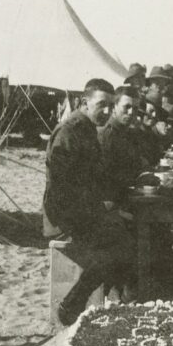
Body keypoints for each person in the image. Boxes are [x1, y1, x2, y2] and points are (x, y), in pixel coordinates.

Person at [43, 79, 136, 325]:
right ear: (84, 102)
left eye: (110, 106)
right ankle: (72, 304)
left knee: (126, 229)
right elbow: (59, 190)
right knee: (122, 243)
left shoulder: (85, 129)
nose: (107, 111)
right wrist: (96, 211)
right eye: (101, 105)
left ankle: (117, 300)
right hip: (63, 217)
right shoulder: (69, 132)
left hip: (82, 210)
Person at [100, 86, 148, 204]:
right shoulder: (107, 135)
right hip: (112, 203)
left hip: (126, 197)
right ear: (114, 107)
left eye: (135, 108)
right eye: (126, 107)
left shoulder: (128, 133)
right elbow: (105, 179)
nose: (131, 112)